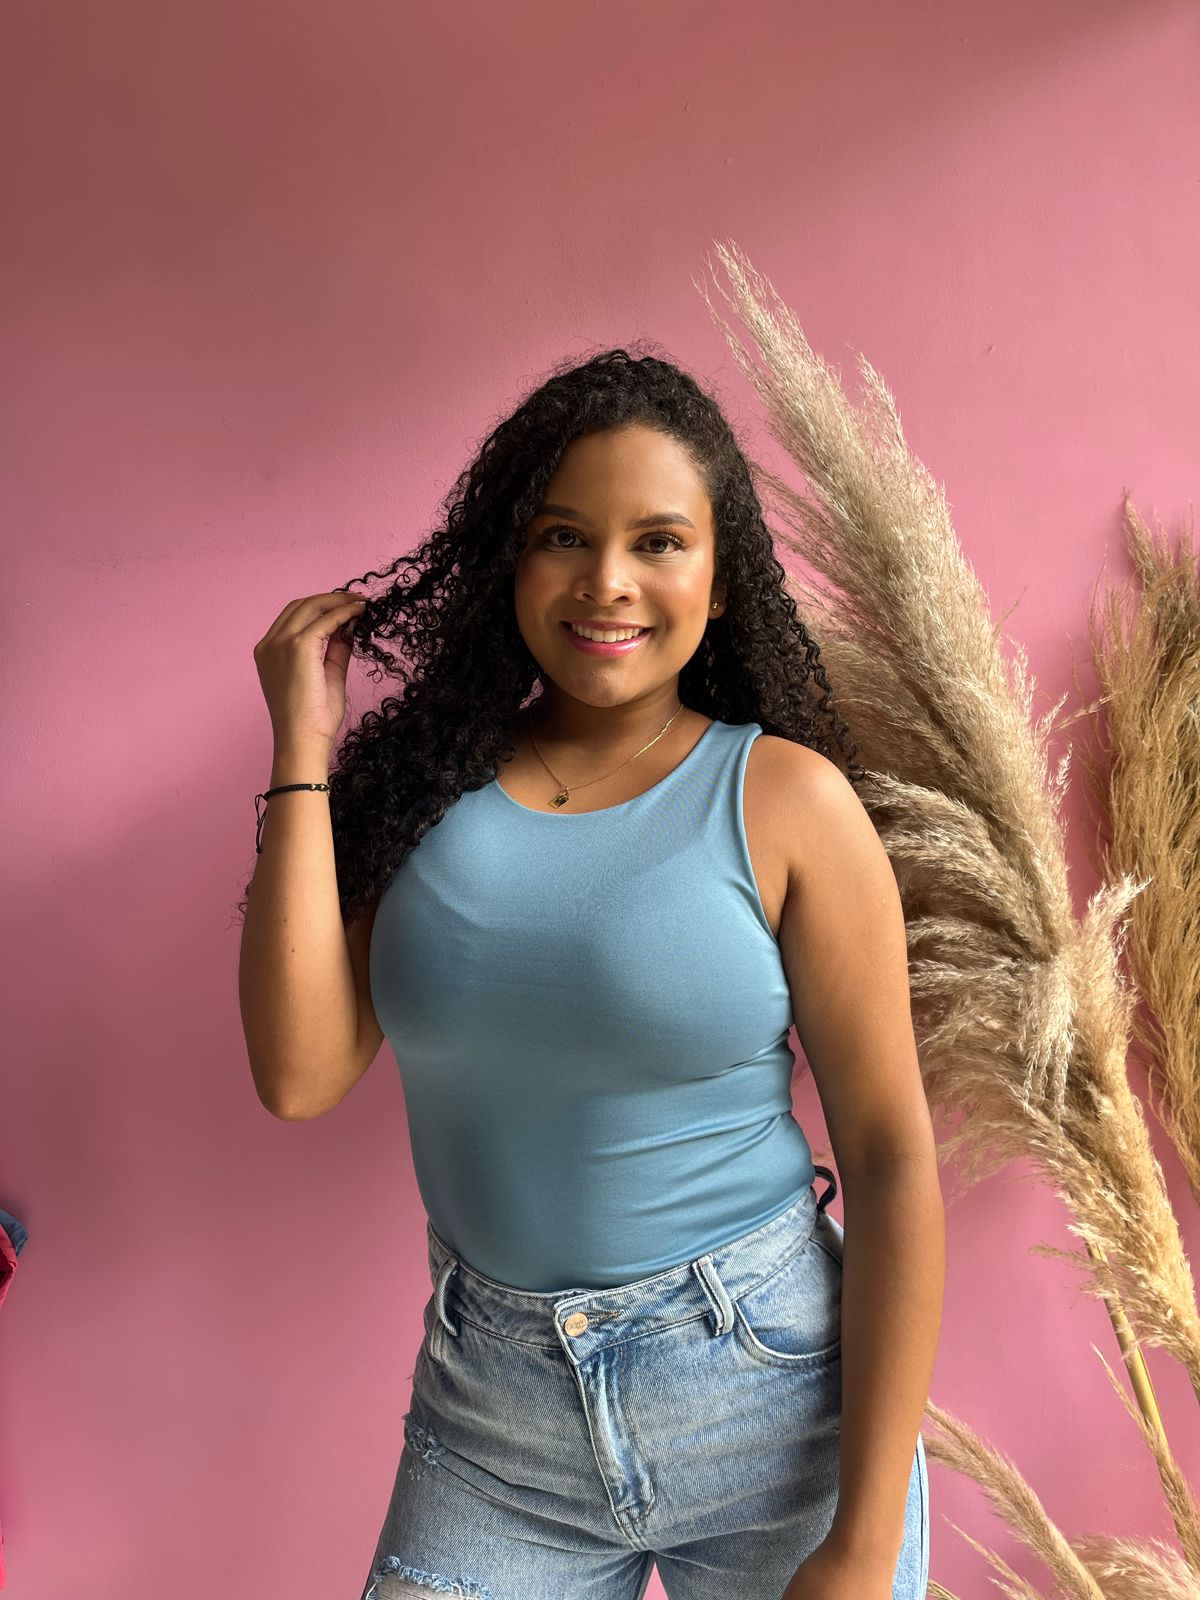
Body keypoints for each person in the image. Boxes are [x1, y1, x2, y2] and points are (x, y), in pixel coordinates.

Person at [237, 346, 944, 1600]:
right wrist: (303, 743)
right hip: (493, 1420)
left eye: (658, 541)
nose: (607, 580)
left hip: (772, 1397)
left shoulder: (787, 802)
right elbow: (297, 1074)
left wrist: (863, 1537)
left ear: (720, 574)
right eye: (563, 535)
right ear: (510, 557)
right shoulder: (420, 794)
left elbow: (890, 1160)